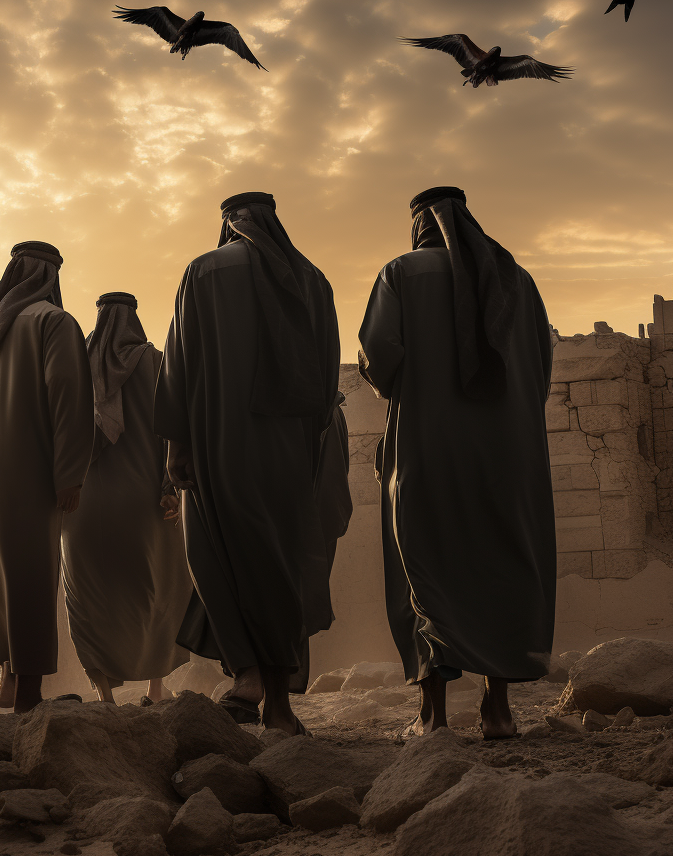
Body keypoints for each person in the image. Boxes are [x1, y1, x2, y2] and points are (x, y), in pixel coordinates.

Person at [358, 187, 555, 739]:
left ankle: (433, 716)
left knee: (425, 561)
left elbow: (379, 358)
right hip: (505, 453)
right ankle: (498, 710)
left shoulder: (401, 273)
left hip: (428, 450)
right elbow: (539, 367)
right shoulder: (518, 279)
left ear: (418, 224)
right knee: (499, 561)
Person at [154, 192, 346, 735]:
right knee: (280, 562)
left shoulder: (203, 271)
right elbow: (326, 378)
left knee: (217, 554)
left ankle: (248, 675)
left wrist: (176, 446)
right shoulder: (313, 279)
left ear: (228, 224)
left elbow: (179, 363)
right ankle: (279, 703)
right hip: (288, 450)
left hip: (219, 443)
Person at [0, 241, 93, 714]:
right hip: (27, 482)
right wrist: (70, 473)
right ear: (52, 277)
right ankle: (27, 694)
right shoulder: (55, 323)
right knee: (30, 581)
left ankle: (6, 681)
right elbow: (69, 394)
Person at [62, 292, 193, 704]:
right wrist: (170, 488)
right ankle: (156, 689)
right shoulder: (155, 362)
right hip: (146, 504)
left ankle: (104, 696)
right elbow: (172, 430)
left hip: (82, 505)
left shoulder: (74, 366)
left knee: (89, 600)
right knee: (161, 592)